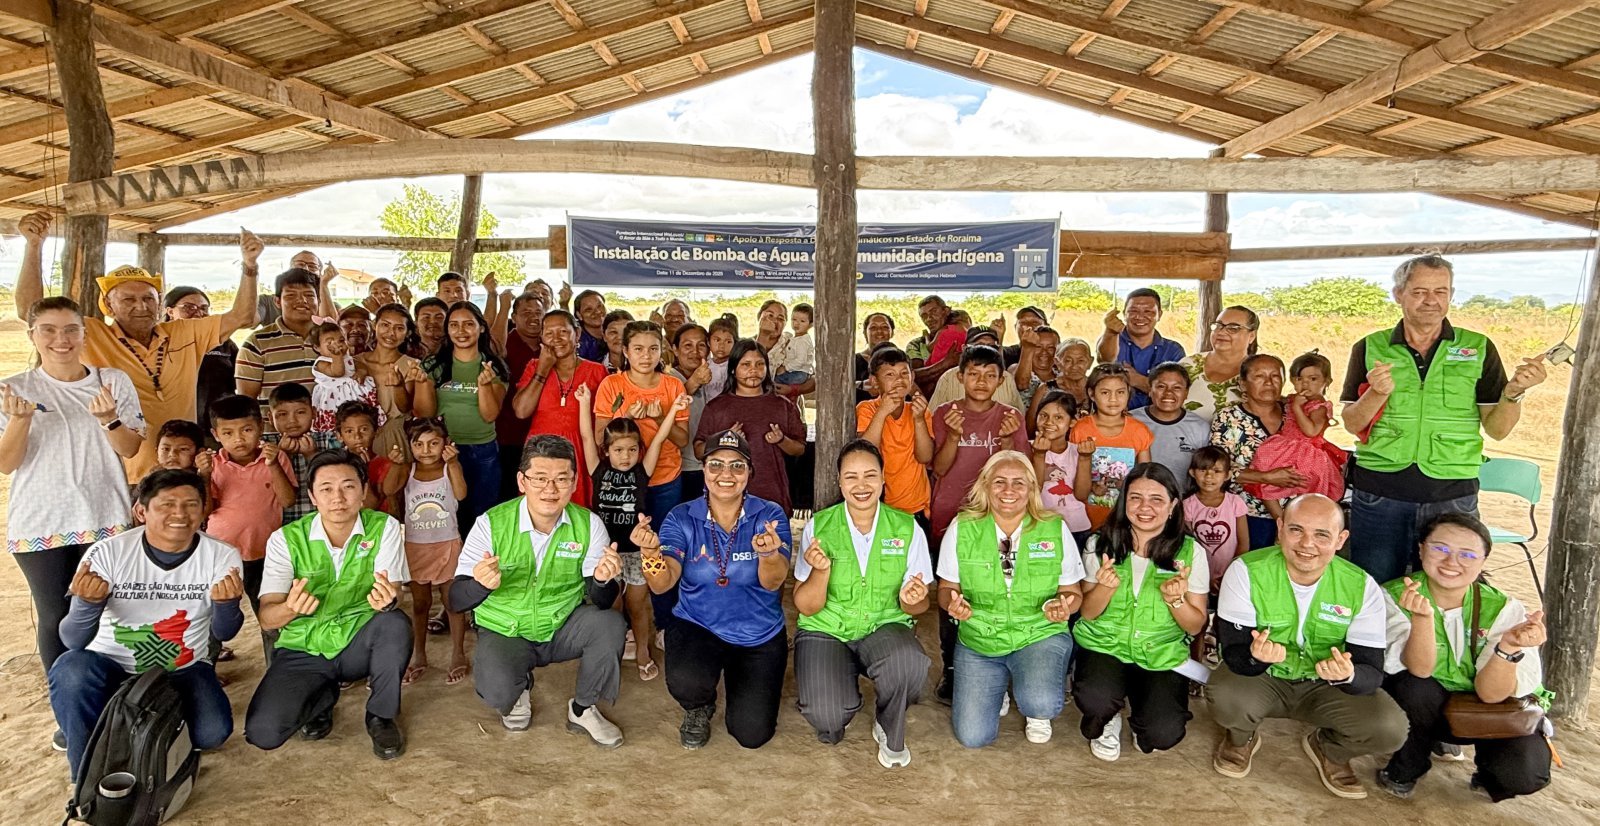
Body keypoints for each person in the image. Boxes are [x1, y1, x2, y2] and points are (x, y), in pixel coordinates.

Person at [1342, 255, 1547, 585]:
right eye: (1419, 291)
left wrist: (1513, 393)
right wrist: (1376, 394)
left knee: (1450, 590)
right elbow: (1352, 422)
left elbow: (1497, 430)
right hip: (1381, 492)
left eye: (1441, 291)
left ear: (1451, 295)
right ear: (1398, 294)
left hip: (1452, 493)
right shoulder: (1369, 347)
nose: (1431, 300)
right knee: (1375, 589)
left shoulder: (1478, 347)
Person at [12, 214, 259, 480]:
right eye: (128, 299)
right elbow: (31, 311)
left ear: (160, 303)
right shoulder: (92, 334)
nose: (141, 306)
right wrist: (34, 246)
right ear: (109, 306)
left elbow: (243, 316)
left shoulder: (185, 331)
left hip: (184, 469)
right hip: (119, 474)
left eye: (148, 299)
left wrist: (250, 266)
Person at [1, 297, 145, 733]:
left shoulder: (111, 381)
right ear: (32, 335)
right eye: (48, 329)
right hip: (40, 522)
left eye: (70, 329)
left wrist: (109, 420)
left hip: (105, 515)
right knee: (55, 616)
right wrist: (20, 421)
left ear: (84, 334)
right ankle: (69, 716)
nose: (60, 339)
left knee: (109, 611)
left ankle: (115, 704)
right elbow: (7, 463)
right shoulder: (12, 389)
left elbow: (131, 448)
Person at [1209, 494, 1407, 800]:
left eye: (1322, 535)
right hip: (1265, 679)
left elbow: (1371, 673)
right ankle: (1240, 738)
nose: (1307, 544)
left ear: (1340, 540)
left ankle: (1331, 750)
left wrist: (1348, 675)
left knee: (1389, 728)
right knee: (1225, 695)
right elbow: (1233, 652)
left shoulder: (1361, 586)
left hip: (1324, 687)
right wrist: (1256, 657)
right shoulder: (1246, 571)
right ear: (1280, 528)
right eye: (1296, 529)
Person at [47, 469, 242, 776]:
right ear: (141, 511)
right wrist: (87, 605)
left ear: (203, 509)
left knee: (212, 733)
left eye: (191, 504)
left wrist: (227, 605)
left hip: (182, 668)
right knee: (70, 668)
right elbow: (73, 639)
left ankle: (130, 724)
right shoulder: (107, 553)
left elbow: (224, 632)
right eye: (167, 504)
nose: (180, 513)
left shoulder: (221, 556)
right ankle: (86, 773)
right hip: (109, 666)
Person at [447, 436, 628, 745]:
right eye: (540, 478)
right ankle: (518, 689)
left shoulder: (589, 524)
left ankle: (583, 709)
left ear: (574, 483)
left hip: (561, 624)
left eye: (561, 479)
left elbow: (602, 601)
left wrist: (601, 581)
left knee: (610, 624)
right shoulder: (490, 524)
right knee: (498, 691)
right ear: (522, 482)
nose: (550, 489)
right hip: (506, 628)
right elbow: (455, 599)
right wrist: (480, 585)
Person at [244, 450, 412, 760]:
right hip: (305, 647)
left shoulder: (384, 527)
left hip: (357, 640)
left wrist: (389, 600)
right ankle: (321, 698)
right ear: (312, 496)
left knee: (395, 622)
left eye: (348, 486)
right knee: (264, 733)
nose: (338, 498)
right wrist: (291, 608)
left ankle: (381, 715)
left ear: (363, 491)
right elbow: (267, 618)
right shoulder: (285, 540)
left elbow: (396, 591)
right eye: (326, 489)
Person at [1376, 513, 1551, 802]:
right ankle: (1408, 766)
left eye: (1467, 554)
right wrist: (1422, 618)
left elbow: (1492, 694)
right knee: (1413, 687)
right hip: (1426, 710)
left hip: (1486, 712)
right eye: (1440, 548)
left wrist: (1508, 647)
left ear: (1483, 561)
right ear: (1421, 549)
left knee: (1525, 773)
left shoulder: (1503, 608)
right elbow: (1420, 669)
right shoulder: (1394, 595)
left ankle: (1490, 773)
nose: (1451, 561)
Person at [639, 429, 791, 749]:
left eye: (737, 466)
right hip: (698, 623)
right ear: (704, 469)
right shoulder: (682, 517)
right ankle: (699, 706)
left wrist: (767, 555)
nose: (726, 474)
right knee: (687, 680)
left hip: (757, 633)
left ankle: (741, 682)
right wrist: (652, 555)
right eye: (716, 464)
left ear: (750, 473)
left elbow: (774, 582)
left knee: (752, 735)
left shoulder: (769, 515)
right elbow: (663, 582)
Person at [793, 440, 933, 768]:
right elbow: (806, 607)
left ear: (883, 478)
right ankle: (840, 695)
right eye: (851, 477)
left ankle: (887, 721)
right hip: (827, 630)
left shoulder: (907, 528)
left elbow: (919, 607)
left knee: (909, 664)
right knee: (827, 716)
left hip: (884, 627)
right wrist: (821, 571)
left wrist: (912, 600)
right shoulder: (819, 527)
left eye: (870, 475)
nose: (861, 485)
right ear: (839, 482)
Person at [938, 451, 1085, 747]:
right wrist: (953, 604)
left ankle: (1034, 705)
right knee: (973, 737)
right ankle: (998, 689)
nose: (1009, 490)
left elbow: (1073, 593)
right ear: (985, 485)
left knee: (1041, 702)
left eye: (1018, 482)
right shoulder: (962, 527)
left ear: (1031, 488)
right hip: (980, 638)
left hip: (1038, 633)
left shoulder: (1053, 528)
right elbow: (946, 588)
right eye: (999, 482)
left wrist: (1064, 606)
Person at [1074, 464, 1208, 761]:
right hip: (1105, 645)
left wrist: (1175, 601)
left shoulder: (1190, 552)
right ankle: (1108, 714)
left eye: (1156, 499)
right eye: (1135, 498)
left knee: (1162, 733)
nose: (1145, 507)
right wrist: (1104, 588)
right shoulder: (1100, 543)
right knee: (1096, 700)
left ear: (1173, 506)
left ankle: (1140, 716)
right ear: (1124, 502)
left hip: (1159, 651)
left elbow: (1195, 626)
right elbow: (1088, 613)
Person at [930, 344, 1029, 699]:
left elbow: (1018, 472)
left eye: (990, 375)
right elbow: (939, 468)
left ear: (1001, 380)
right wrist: (955, 436)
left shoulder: (1011, 417)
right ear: (960, 377)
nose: (981, 381)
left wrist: (1008, 440)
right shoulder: (945, 414)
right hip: (950, 513)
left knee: (996, 585)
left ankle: (994, 660)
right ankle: (952, 667)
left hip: (998, 517)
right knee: (951, 590)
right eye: (973, 374)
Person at [576, 385, 690, 682]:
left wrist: (674, 410)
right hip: (607, 554)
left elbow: (661, 437)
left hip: (637, 553)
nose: (625, 456)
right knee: (612, 608)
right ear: (606, 451)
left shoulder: (642, 472)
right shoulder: (598, 470)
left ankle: (642, 651)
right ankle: (611, 654)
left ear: (639, 450)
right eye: (618, 450)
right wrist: (585, 402)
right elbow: (586, 436)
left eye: (632, 449)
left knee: (638, 607)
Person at [205, 393, 295, 658]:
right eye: (228, 433)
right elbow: (205, 510)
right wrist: (203, 474)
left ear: (261, 427)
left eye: (247, 430)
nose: (239, 439)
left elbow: (288, 500)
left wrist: (273, 464)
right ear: (216, 434)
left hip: (266, 553)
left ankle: (277, 671)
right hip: (222, 555)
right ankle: (204, 668)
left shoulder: (276, 458)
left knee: (271, 616)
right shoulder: (212, 464)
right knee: (212, 616)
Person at [382, 418, 468, 685]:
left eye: (433, 443)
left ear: (446, 444)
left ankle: (458, 653)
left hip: (447, 544)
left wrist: (454, 463)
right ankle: (419, 654)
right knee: (420, 604)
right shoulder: (407, 470)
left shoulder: (449, 468)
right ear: (410, 446)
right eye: (418, 444)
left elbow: (461, 494)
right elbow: (388, 489)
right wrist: (396, 464)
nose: (426, 450)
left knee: (452, 602)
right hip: (416, 547)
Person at [415, 301, 509, 534]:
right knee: (446, 515)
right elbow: (424, 415)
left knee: (482, 516)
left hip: (483, 450)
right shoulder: (433, 365)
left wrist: (484, 386)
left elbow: (490, 415)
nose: (461, 331)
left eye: (468, 324)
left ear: (481, 328)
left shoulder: (493, 367)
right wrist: (423, 384)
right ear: (447, 329)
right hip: (444, 450)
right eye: (454, 325)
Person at [594, 321, 692, 529]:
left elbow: (683, 440)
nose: (646, 356)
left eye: (653, 349)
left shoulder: (673, 385)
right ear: (626, 351)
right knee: (624, 539)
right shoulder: (612, 384)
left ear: (661, 350)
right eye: (638, 349)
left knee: (662, 538)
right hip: (623, 480)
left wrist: (660, 419)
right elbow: (600, 438)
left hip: (665, 477)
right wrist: (626, 417)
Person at [696, 340, 806, 514]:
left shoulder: (783, 405)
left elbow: (799, 448)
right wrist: (723, 440)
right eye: (746, 364)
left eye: (760, 364)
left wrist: (781, 440)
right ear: (733, 369)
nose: (753, 370)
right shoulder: (716, 408)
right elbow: (698, 450)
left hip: (772, 496)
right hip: (726, 500)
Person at [512, 309, 608, 507]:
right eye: (549, 333)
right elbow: (521, 411)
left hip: (582, 452)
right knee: (542, 508)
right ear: (541, 337)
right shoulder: (534, 366)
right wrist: (543, 369)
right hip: (541, 451)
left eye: (563, 332)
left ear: (577, 334)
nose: (556, 339)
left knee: (579, 512)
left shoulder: (597, 371)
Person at [1210, 354, 1307, 549]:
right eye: (1259, 376)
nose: (1269, 382)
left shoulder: (1296, 413)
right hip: (1247, 516)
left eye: (1275, 376)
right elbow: (1216, 469)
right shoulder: (1229, 418)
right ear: (1243, 384)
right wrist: (1266, 477)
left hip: (1298, 516)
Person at [1247, 351, 1347, 517]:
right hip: (1286, 448)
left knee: (1303, 491)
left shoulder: (1319, 406)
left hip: (1306, 453)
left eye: (1313, 379)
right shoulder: (1294, 399)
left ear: (1326, 381)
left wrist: (1296, 408)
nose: (1306, 384)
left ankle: (1290, 521)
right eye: (1300, 379)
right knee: (1264, 477)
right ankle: (1281, 520)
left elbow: (1311, 431)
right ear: (1292, 380)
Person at [1069, 364, 1154, 530]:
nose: (1113, 399)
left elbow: (1145, 477)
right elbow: (1073, 477)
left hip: (1126, 521)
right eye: (1105, 393)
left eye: (1120, 392)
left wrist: (1126, 485)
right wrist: (1092, 486)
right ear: (1091, 394)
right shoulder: (1081, 429)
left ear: (1129, 392)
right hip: (1086, 520)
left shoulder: (1139, 431)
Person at [855, 347, 933, 522]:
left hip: (916, 506)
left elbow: (925, 457)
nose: (899, 379)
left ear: (912, 377)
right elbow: (866, 453)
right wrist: (882, 412)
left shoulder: (920, 411)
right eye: (890, 375)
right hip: (880, 507)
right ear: (874, 382)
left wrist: (919, 420)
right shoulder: (867, 409)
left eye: (904, 373)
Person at [237, 268, 321, 426]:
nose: (302, 300)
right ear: (277, 301)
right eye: (291, 295)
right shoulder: (257, 342)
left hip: (329, 435)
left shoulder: (333, 338)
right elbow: (247, 401)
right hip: (275, 436)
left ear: (319, 300)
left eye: (309, 295)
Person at [164, 286, 239, 435]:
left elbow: (239, 380)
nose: (198, 313)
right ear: (170, 312)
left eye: (204, 308)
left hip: (218, 429)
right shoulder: (159, 344)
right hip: (175, 430)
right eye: (188, 307)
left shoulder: (224, 344)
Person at [1096, 288, 1186, 410]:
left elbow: (1176, 394)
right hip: (1116, 416)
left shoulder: (1173, 350)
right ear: (1124, 313)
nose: (1139, 317)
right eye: (1133, 311)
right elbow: (1104, 359)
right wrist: (1110, 332)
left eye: (1148, 311)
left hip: (1159, 417)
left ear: (1159, 314)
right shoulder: (1111, 339)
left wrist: (1137, 380)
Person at [494, 293, 546, 499]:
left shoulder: (550, 346)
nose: (533, 318)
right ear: (514, 317)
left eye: (538, 313)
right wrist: (501, 303)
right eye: (526, 313)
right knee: (510, 492)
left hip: (542, 435)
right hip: (509, 434)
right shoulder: (506, 343)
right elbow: (495, 349)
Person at [355, 304, 423, 461]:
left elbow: (406, 408)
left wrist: (398, 386)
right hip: (357, 437)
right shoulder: (356, 362)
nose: (391, 333)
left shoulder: (411, 365)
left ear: (407, 333)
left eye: (399, 328)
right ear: (374, 325)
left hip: (394, 438)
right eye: (385, 325)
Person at [269, 383, 340, 527]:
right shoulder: (266, 446)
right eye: (282, 414)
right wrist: (282, 457)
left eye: (300, 412)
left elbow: (338, 479)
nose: (292, 420)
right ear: (270, 418)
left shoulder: (329, 440)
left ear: (313, 413)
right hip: (278, 526)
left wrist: (312, 456)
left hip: (323, 523)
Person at [1028, 389, 1092, 546]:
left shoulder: (1078, 451)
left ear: (1072, 422)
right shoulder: (1028, 449)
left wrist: (1085, 458)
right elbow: (1032, 492)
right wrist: (1039, 456)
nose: (1049, 422)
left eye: (1058, 417)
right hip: (1041, 525)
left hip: (1077, 527)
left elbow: (1081, 495)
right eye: (1044, 416)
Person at [1183, 446, 1249, 592]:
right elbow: (1188, 546)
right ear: (1192, 472)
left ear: (1227, 475)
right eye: (1203, 470)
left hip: (1231, 574)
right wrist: (1204, 576)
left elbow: (1243, 543)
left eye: (1217, 471)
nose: (1209, 476)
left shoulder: (1235, 502)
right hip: (1197, 574)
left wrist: (1229, 573)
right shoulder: (1188, 505)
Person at [1131, 362, 1211, 481]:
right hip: (1139, 491)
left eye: (1177, 388)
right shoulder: (1130, 420)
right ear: (1150, 390)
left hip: (1183, 492)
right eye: (1161, 386)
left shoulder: (1200, 428)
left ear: (1186, 393)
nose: (1168, 393)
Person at [1180, 306, 1258, 421]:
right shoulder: (1188, 365)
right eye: (1218, 325)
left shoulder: (1259, 373)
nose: (1221, 332)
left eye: (1233, 328)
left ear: (1251, 336)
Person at [667, 323, 713, 499]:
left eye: (701, 345)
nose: (695, 351)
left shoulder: (713, 375)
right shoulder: (667, 379)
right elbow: (665, 411)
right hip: (680, 467)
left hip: (709, 464)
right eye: (687, 345)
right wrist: (694, 382)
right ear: (675, 349)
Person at [928, 328, 1025, 411]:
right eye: (978, 346)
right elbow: (932, 417)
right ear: (964, 348)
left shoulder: (1006, 378)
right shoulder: (948, 377)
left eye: (991, 347)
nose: (985, 351)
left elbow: (1019, 416)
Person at [308, 322, 375, 435]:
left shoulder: (348, 357)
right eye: (330, 342)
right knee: (339, 424)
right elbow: (338, 372)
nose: (338, 345)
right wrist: (336, 356)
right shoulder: (321, 363)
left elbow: (360, 365)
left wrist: (361, 371)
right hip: (334, 399)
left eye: (341, 340)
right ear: (317, 347)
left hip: (354, 396)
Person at [1025, 336, 1091, 435]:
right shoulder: (1045, 389)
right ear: (1057, 362)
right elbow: (1030, 429)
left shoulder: (1097, 388)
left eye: (1081, 361)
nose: (1074, 366)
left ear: (1090, 362)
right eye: (1068, 361)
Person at [909, 296, 967, 397]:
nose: (929, 319)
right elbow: (912, 377)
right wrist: (945, 363)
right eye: (924, 316)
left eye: (934, 311)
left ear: (946, 311)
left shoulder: (969, 337)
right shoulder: (916, 344)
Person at [1010, 324, 1061, 412]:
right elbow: (1021, 384)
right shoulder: (1015, 369)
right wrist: (1027, 348)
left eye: (1050, 348)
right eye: (1038, 347)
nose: (1044, 352)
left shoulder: (1062, 375)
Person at [773, 302, 815, 393]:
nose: (796, 323)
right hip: (795, 371)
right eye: (794, 319)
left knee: (774, 381)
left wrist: (785, 368)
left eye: (802, 321)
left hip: (799, 373)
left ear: (811, 324)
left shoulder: (802, 341)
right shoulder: (795, 339)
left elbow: (800, 361)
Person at [854, 312, 897, 400]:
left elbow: (913, 389)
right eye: (873, 327)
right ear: (865, 333)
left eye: (885, 327)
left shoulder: (901, 360)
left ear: (892, 332)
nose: (879, 331)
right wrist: (861, 385)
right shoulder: (853, 361)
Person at [1001, 306, 1048, 371]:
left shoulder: (1056, 353)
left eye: (1035, 323)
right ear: (1015, 327)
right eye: (1023, 323)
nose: (1029, 327)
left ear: (1047, 327)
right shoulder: (1008, 353)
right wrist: (998, 337)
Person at [705, 314, 738, 401]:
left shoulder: (735, 367)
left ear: (735, 344)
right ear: (708, 342)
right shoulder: (705, 366)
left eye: (728, 342)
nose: (722, 346)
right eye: (717, 340)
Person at [572, 289, 608, 363]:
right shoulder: (576, 342)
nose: (598, 311)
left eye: (600, 306)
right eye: (589, 309)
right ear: (579, 315)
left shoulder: (618, 330)